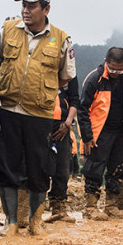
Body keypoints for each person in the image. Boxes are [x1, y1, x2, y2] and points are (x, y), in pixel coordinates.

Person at [0, 0, 75, 236]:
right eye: (23, 5)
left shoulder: (61, 38)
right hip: (8, 108)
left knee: (39, 168)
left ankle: (36, 221)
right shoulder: (8, 30)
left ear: (46, 9)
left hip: (39, 114)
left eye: (32, 6)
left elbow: (65, 76)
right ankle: (12, 222)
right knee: (7, 166)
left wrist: (39, 90)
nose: (26, 10)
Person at [78, 47, 123, 220]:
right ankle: (90, 207)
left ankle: (111, 206)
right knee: (94, 168)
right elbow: (83, 110)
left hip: (121, 131)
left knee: (118, 168)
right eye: (112, 69)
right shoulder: (94, 79)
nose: (115, 73)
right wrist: (87, 137)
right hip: (99, 132)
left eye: (119, 69)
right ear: (106, 62)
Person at [46, 77, 80, 222]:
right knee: (37, 166)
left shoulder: (69, 73)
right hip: (40, 120)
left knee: (62, 169)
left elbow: (74, 99)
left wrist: (67, 123)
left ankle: (58, 207)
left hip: (62, 125)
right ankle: (34, 209)